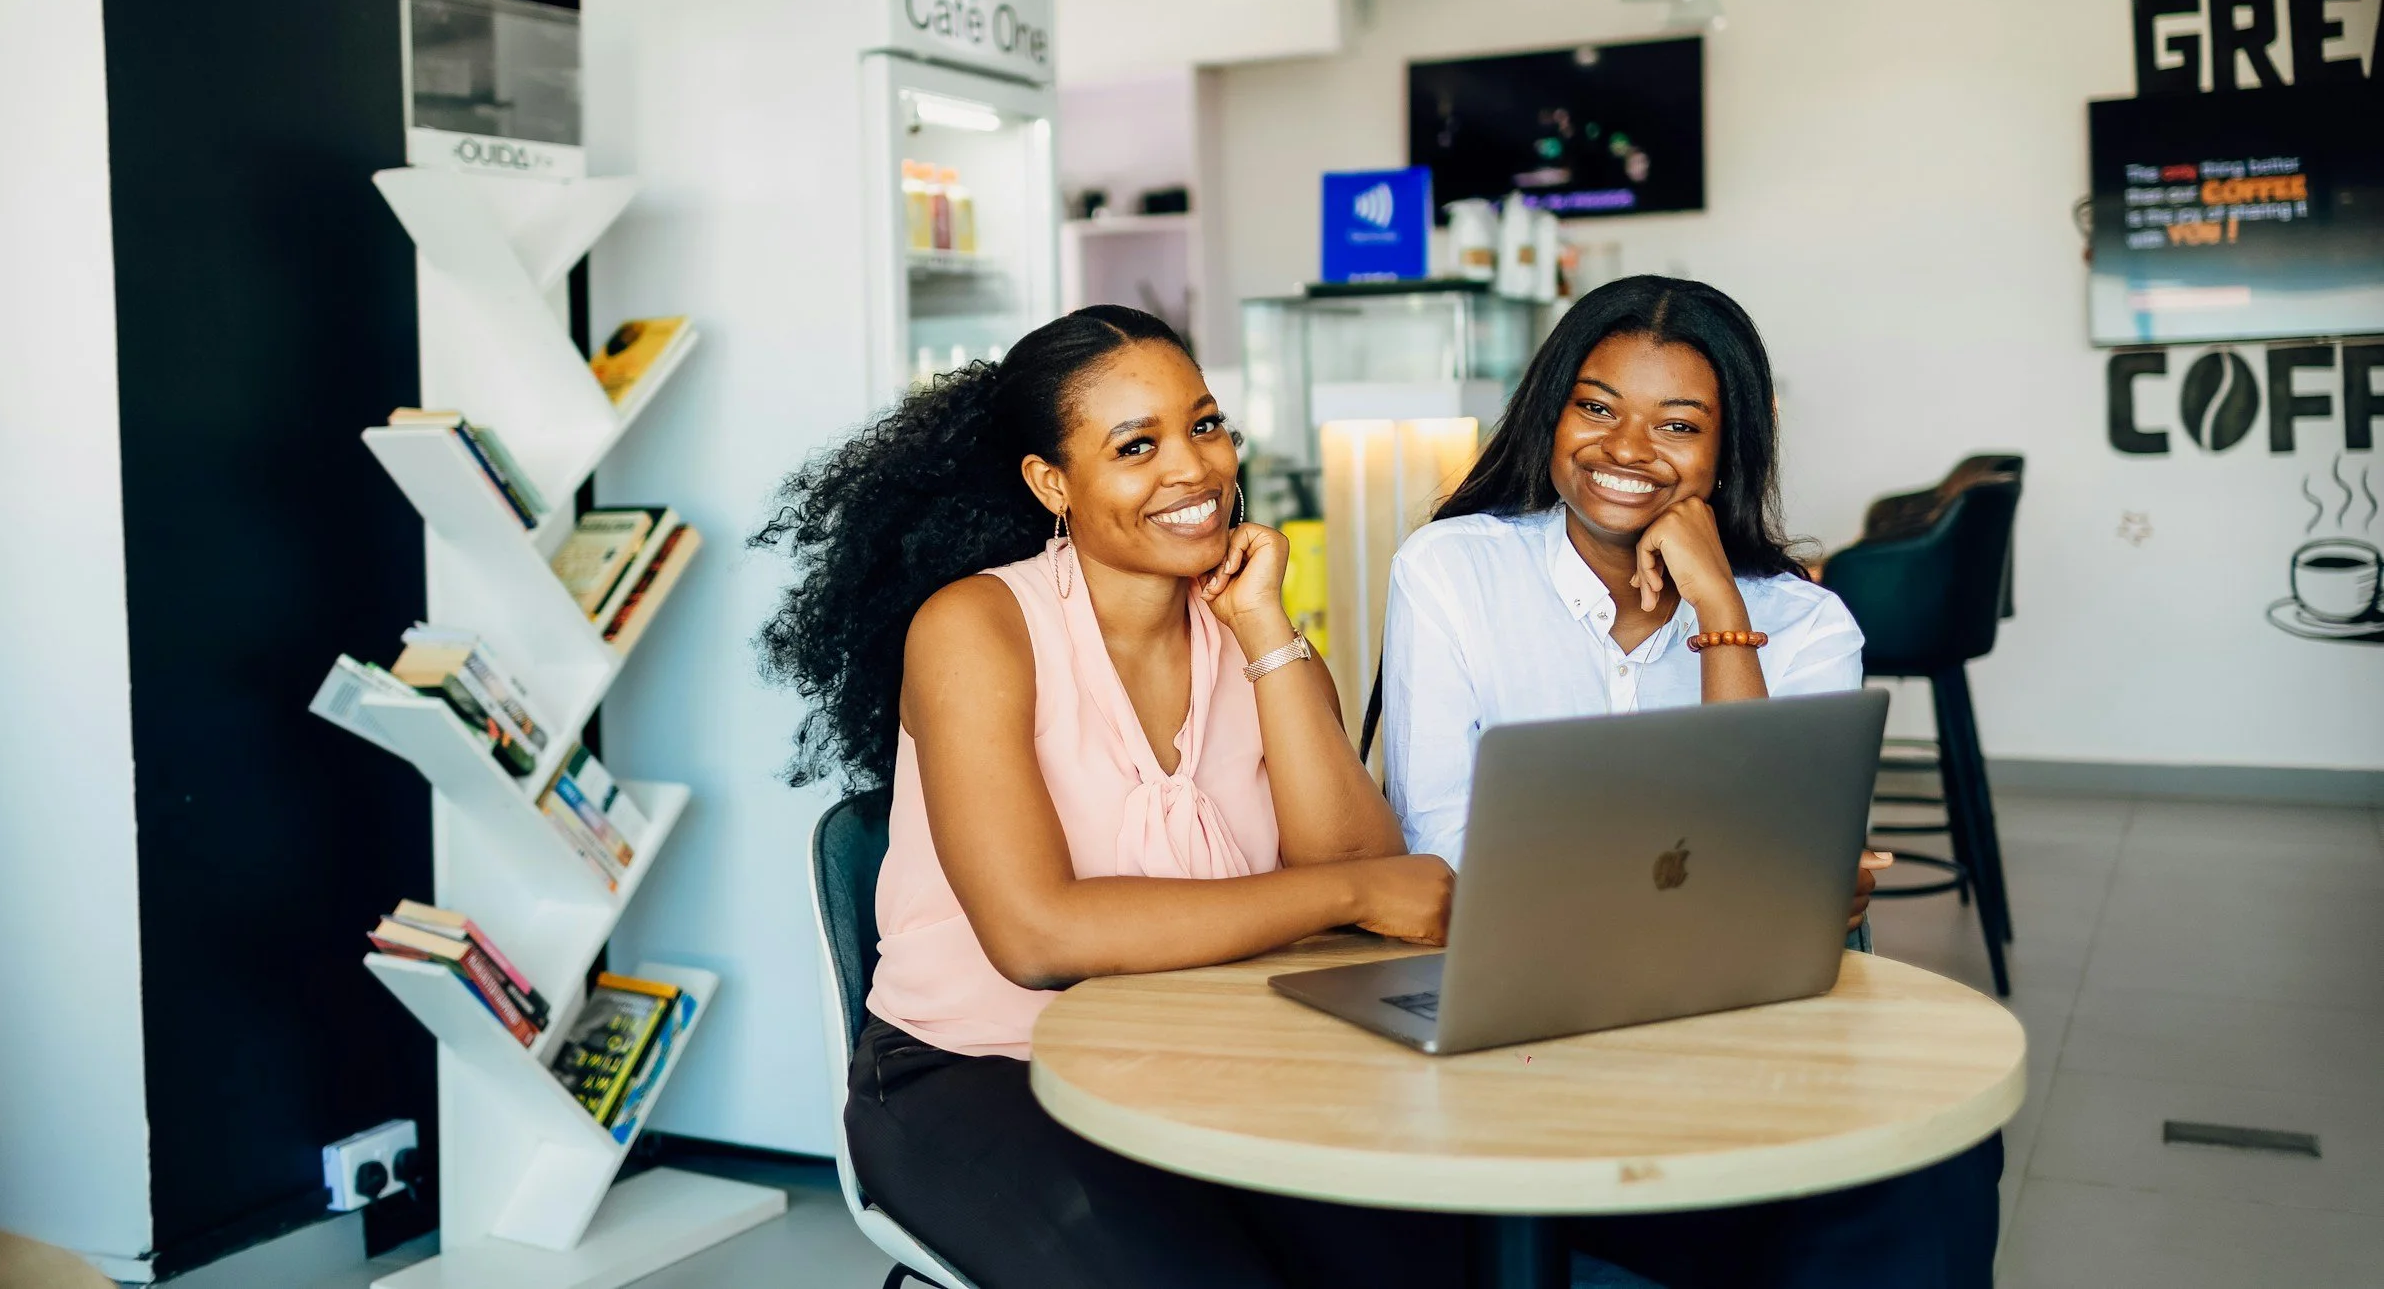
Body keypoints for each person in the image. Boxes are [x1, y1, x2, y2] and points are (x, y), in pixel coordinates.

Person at [754, 305, 1471, 1289]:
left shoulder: (1247, 629)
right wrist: (1347, 897)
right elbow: (1038, 936)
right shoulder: (976, 627)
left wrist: (1267, 631)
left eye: (1205, 425)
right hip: (982, 1070)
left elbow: (1363, 870)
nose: (1194, 468)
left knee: (1437, 1256)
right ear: (1052, 482)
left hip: (1212, 1046)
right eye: (1137, 445)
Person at [1378, 274, 2002, 1289]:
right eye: (1596, 407)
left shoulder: (1806, 624)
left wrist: (1719, 610)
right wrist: (1739, 888)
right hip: (1521, 1011)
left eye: (1677, 424)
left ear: (1726, 448)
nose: (1627, 449)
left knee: (1935, 1165)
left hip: (1742, 1022)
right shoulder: (1451, 571)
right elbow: (1440, 841)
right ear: (1551, 414)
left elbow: (1775, 881)